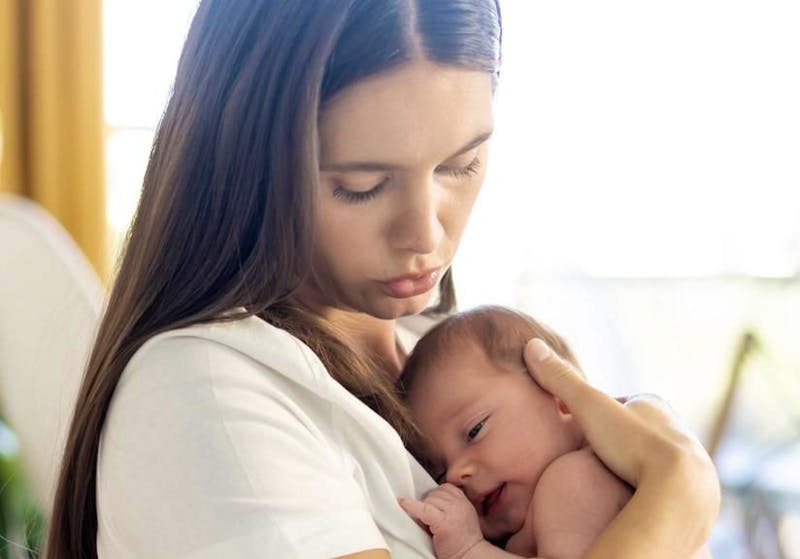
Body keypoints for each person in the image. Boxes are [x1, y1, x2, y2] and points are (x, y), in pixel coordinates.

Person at [46, 2, 720, 559]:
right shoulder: (209, 392)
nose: (426, 235)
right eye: (362, 186)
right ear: (246, 164)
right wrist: (678, 497)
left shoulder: (444, 356)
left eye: (461, 165)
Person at [396, 306, 712, 559]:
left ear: (560, 397)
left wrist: (469, 549)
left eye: (475, 431)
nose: (455, 474)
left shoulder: (572, 481)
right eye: (438, 472)